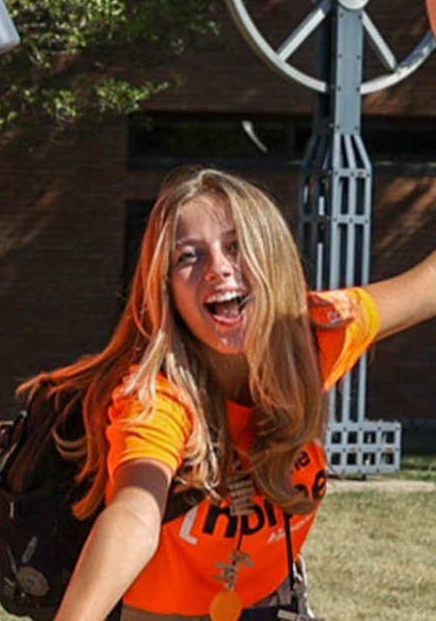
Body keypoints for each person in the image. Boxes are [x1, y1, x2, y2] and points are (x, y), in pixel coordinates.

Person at [41, 167, 436, 620]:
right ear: (165, 287)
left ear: (273, 257)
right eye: (188, 257)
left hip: (275, 604)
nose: (218, 268)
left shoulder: (310, 338)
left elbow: (428, 285)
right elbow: (136, 513)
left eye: (236, 245)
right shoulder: (156, 398)